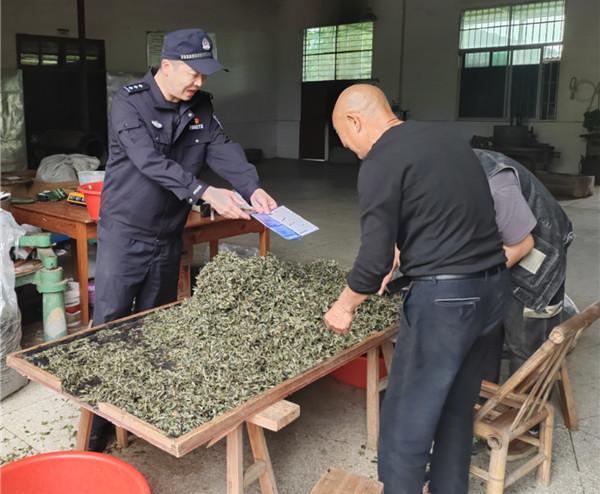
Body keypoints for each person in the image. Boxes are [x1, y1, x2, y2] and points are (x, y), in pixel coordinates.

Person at [90, 28, 277, 450]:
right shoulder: (129, 102)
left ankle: (143, 405)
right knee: (111, 323)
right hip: (125, 232)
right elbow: (149, 161)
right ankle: (100, 421)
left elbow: (220, 147)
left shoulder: (200, 106)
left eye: (205, 75)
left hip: (167, 233)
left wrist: (251, 187)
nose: (199, 82)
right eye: (193, 73)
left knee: (156, 322)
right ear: (167, 65)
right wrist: (205, 192)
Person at [323, 84, 511, 494]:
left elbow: (371, 263)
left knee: (405, 424)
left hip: (446, 304)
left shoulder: (380, 161)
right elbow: (444, 211)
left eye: (342, 136)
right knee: (455, 414)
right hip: (493, 290)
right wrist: (403, 252)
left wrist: (344, 306)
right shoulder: (446, 139)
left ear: (355, 121)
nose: (348, 147)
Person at [474, 149, 574, 382]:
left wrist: (473, 277)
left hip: (540, 247)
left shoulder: (495, 180)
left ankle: (525, 401)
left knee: (527, 339)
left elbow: (521, 246)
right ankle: (485, 395)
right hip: (498, 243)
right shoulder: (437, 175)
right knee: (487, 328)